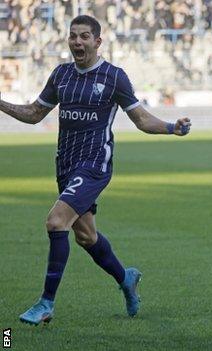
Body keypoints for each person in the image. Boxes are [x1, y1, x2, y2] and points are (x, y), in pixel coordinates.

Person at [0, 15, 191, 325]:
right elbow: (35, 113)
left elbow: (141, 119)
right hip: (65, 165)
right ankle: (125, 278)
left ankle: (46, 302)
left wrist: (172, 127)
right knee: (86, 237)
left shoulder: (114, 77)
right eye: (73, 36)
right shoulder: (61, 75)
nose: (78, 41)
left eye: (85, 36)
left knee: (56, 221)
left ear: (97, 42)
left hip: (94, 166)